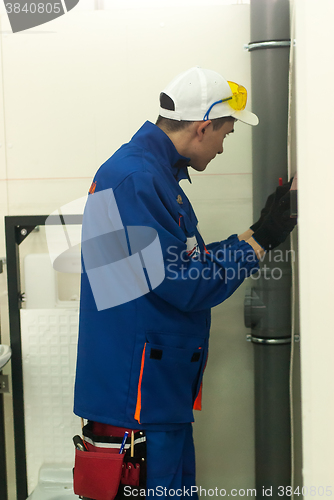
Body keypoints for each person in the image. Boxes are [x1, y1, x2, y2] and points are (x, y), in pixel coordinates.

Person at [73, 67, 296, 498]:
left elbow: (181, 261)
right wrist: (264, 240)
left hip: (153, 396)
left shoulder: (151, 175)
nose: (224, 147)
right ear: (203, 127)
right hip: (136, 404)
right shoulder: (137, 179)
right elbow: (188, 284)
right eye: (226, 134)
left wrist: (255, 232)